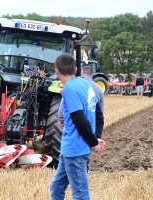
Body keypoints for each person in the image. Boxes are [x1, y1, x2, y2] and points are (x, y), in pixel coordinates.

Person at [50, 53, 105, 200]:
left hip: (75, 150)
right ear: (76, 69)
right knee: (56, 188)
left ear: (56, 71)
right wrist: (96, 138)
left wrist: (94, 143)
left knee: (80, 195)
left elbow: (80, 121)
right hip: (69, 150)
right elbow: (99, 114)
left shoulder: (69, 89)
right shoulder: (86, 84)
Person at [58, 65, 105, 139]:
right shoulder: (98, 89)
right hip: (90, 128)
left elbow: (63, 103)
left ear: (81, 73)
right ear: (92, 75)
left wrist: (61, 118)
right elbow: (100, 113)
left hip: (74, 126)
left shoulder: (72, 86)